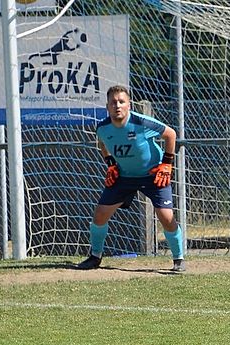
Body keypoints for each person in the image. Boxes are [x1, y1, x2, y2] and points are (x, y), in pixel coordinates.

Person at [75, 85, 184, 272]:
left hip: (153, 175)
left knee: (166, 217)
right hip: (124, 177)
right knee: (100, 215)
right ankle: (95, 257)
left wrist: (167, 164)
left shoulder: (141, 122)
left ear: (129, 105)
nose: (117, 105)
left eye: (121, 102)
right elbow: (102, 143)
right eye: (113, 102)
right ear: (107, 106)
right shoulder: (102, 128)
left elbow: (170, 134)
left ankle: (178, 260)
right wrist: (110, 163)